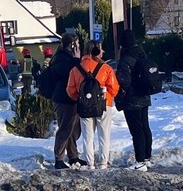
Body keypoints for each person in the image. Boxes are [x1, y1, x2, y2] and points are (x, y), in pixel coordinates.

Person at [65, 40, 120, 170]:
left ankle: (90, 163)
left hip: (85, 106)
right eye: (101, 49)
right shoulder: (106, 68)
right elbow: (114, 87)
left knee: (87, 137)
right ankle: (103, 163)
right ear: (97, 51)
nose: (103, 52)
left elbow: (70, 90)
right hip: (103, 105)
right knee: (104, 135)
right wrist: (107, 99)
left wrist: (80, 99)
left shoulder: (75, 69)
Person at [114, 32, 154, 171]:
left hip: (132, 99)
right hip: (144, 96)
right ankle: (147, 158)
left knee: (136, 130)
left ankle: (140, 161)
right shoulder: (142, 54)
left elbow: (123, 82)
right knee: (145, 127)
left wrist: (119, 99)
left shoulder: (126, 59)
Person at [46, 34, 86, 169]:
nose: (79, 47)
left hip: (72, 98)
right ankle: (59, 158)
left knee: (74, 130)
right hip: (63, 99)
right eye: (77, 44)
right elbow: (69, 73)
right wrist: (76, 60)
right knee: (65, 128)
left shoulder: (68, 58)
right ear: (71, 45)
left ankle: (73, 156)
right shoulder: (60, 59)